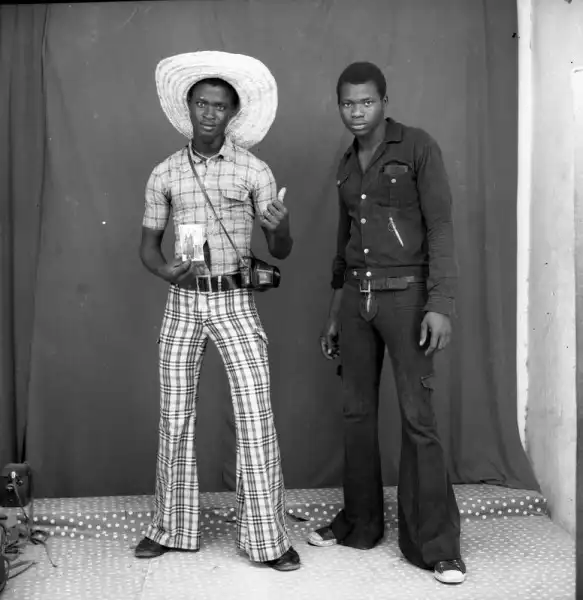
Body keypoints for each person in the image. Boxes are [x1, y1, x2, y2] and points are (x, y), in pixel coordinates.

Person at [136, 51, 300, 572]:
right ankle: (171, 528)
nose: (210, 113)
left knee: (255, 415)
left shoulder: (255, 170)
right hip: (183, 301)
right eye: (202, 103)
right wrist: (165, 271)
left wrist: (279, 226)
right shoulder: (164, 172)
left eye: (220, 106)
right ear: (188, 108)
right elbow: (147, 248)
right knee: (174, 415)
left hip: (234, 301)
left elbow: (281, 249)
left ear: (233, 113)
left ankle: (268, 539)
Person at [309, 62, 465, 585]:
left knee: (418, 419)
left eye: (366, 102)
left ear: (384, 102)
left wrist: (440, 302)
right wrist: (336, 311)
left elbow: (440, 226)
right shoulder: (345, 165)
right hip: (357, 298)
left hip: (407, 298)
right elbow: (344, 243)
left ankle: (436, 546)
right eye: (347, 103)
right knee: (356, 413)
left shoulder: (417, 147)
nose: (356, 112)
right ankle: (360, 524)